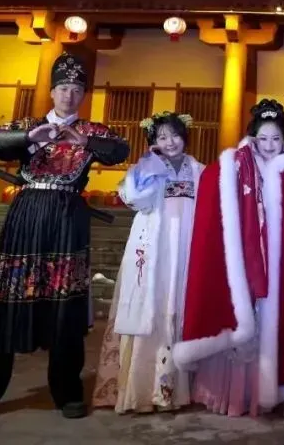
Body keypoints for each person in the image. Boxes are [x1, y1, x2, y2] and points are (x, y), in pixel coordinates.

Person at [0, 54, 130, 426]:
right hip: (27, 214)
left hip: (67, 219)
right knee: (7, 299)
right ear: (52, 92)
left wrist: (85, 141)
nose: (69, 95)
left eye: (76, 89)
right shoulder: (30, 125)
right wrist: (31, 138)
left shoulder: (91, 130)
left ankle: (67, 391)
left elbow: (121, 150)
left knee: (65, 305)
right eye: (63, 88)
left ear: (83, 94)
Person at [173, 99, 284, 415]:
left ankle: (271, 391)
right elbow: (212, 190)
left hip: (280, 261)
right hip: (244, 260)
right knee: (243, 319)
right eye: (263, 138)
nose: (270, 146)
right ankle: (235, 395)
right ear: (253, 137)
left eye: (276, 139)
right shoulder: (234, 166)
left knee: (276, 324)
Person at [92, 112, 204, 414]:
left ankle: (173, 392)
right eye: (162, 137)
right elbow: (135, 199)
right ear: (153, 142)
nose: (170, 142)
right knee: (148, 308)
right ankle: (140, 392)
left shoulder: (198, 170)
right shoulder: (145, 168)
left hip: (185, 249)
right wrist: (149, 165)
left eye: (175, 135)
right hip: (152, 248)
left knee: (179, 308)